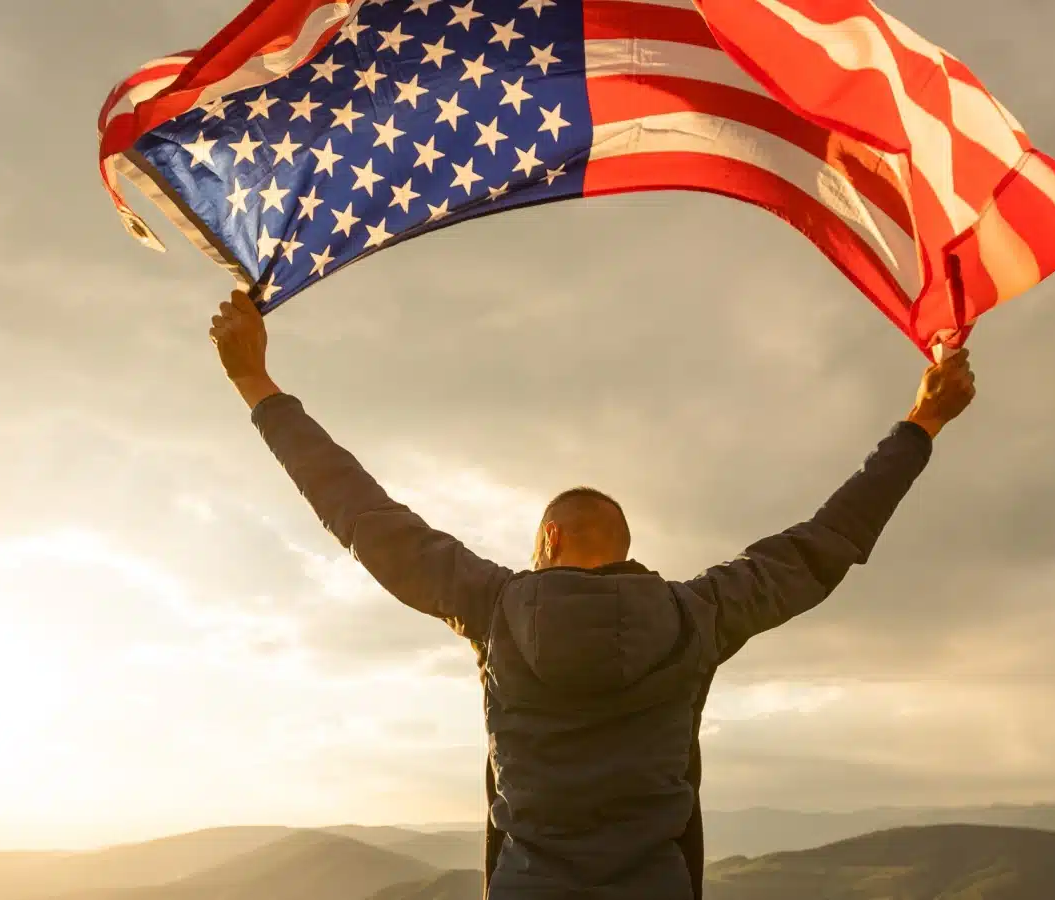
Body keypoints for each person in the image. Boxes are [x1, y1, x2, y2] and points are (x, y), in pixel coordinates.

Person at [209, 291, 975, 900]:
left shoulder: (491, 606)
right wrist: (924, 419)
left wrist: (255, 381)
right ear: (626, 550)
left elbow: (361, 513)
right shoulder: (700, 614)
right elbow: (828, 540)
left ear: (548, 542)